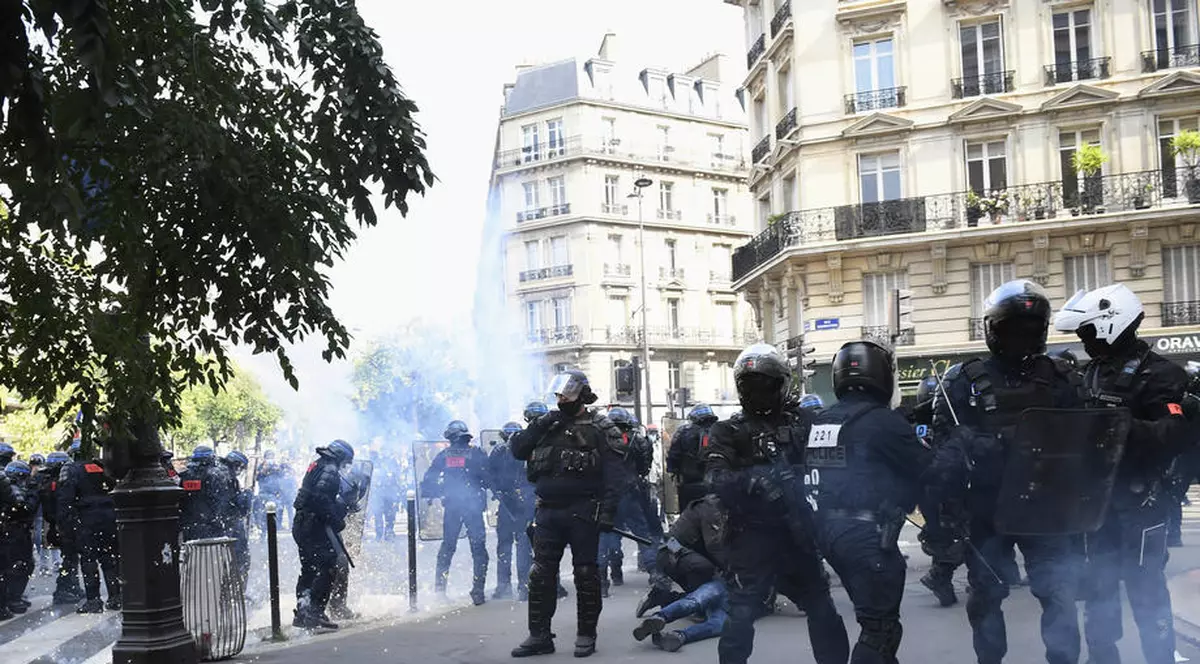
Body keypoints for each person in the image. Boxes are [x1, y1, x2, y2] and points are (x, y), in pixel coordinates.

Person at [932, 279, 1086, 664]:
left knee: (1052, 593)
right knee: (992, 596)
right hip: (992, 509)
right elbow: (943, 451)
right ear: (994, 330)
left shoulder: (1062, 379)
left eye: (1028, 329)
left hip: (1041, 508)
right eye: (1013, 329)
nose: (1021, 337)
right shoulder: (963, 381)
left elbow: (1087, 441)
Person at [1054, 283, 1192, 664]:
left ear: (1111, 324)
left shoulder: (1160, 374)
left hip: (1141, 504)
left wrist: (1120, 424)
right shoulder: (1091, 373)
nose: (1084, 341)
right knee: (1097, 593)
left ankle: (1161, 658)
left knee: (1147, 591)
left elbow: (1174, 434)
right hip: (1096, 506)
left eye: (1088, 332)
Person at [705, 343, 850, 664]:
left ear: (781, 384)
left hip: (799, 534)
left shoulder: (808, 422)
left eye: (764, 384)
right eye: (749, 385)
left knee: (821, 608)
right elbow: (715, 479)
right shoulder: (729, 430)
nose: (757, 392)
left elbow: (836, 467)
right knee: (742, 613)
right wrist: (754, 481)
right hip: (752, 537)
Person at [808, 341, 931, 662]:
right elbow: (929, 472)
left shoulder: (821, 421)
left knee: (874, 622)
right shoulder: (884, 422)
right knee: (880, 631)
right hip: (867, 537)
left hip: (828, 533)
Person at [510, 369, 620, 659]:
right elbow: (518, 449)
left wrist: (607, 512)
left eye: (567, 395)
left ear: (582, 394)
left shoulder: (599, 426)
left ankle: (586, 635)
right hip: (547, 511)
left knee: (585, 574)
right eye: (558, 395)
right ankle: (539, 636)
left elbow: (615, 474)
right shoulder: (548, 424)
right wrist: (542, 422)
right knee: (541, 575)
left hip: (583, 511)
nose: (561, 400)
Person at [633, 495, 730, 652]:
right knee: (701, 604)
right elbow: (715, 547)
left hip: (731, 588)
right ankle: (666, 621)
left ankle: (674, 630)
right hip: (682, 559)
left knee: (699, 604)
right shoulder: (712, 508)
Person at [421, 420, 491, 606]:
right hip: (473, 507)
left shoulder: (443, 455)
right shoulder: (477, 454)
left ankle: (439, 591)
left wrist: (440, 491)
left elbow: (428, 481)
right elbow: (489, 478)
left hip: (452, 507)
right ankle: (478, 591)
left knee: (447, 547)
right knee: (478, 549)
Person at [911, 374, 962, 607]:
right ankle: (941, 575)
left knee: (945, 533)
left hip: (929, 487)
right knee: (959, 532)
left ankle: (942, 575)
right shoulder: (943, 421)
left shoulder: (919, 418)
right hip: (941, 485)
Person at [292, 439, 355, 630]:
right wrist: (337, 520)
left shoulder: (318, 464)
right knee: (328, 565)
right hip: (314, 526)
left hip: (303, 523)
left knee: (309, 568)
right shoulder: (330, 470)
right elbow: (320, 499)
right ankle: (315, 612)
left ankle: (303, 610)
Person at [597, 407, 657, 596]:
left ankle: (605, 579)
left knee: (607, 536)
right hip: (630, 493)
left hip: (608, 494)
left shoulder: (601, 439)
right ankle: (654, 572)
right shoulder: (637, 440)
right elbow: (644, 467)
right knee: (642, 534)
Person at [57, 442, 121, 613]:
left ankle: (93, 600)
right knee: (110, 558)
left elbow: (65, 499)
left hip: (86, 519)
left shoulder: (71, 470)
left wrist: (63, 525)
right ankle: (116, 597)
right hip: (110, 517)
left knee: (89, 559)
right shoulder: (105, 467)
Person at [522, 401, 570, 602]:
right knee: (547, 548)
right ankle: (551, 586)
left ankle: (527, 587)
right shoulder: (556, 437)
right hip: (546, 500)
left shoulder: (527, 440)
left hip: (534, 501)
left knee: (538, 548)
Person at [490, 421, 535, 600]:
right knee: (521, 545)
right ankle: (523, 587)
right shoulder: (526, 451)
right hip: (521, 504)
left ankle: (505, 586)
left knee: (506, 546)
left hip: (510, 503)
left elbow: (489, 475)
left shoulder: (498, 451)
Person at [38, 450, 82, 604]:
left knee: (70, 557)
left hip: (58, 525)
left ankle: (73, 586)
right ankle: (62, 590)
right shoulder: (54, 485)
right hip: (61, 525)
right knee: (69, 558)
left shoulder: (48, 482)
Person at [329, 462, 370, 621]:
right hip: (320, 527)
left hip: (328, 527)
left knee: (341, 564)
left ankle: (336, 607)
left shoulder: (333, 475)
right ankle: (317, 609)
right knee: (333, 565)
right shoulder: (330, 476)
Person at [178, 445, 238, 542]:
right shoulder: (216, 476)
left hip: (189, 527)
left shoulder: (184, 476)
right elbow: (221, 502)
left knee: (192, 555)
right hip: (210, 527)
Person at [3, 460, 39, 615]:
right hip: (14, 532)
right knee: (19, 566)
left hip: (12, 531)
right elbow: (25, 508)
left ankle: (11, 598)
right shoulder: (12, 489)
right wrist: (33, 491)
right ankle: (12, 599)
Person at [667, 403, 718, 510]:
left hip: (689, 483)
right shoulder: (719, 431)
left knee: (688, 518)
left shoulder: (683, 431)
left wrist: (673, 471)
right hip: (714, 484)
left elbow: (673, 456)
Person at [221, 450, 253, 589]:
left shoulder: (219, 473)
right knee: (241, 558)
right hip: (231, 524)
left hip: (218, 526)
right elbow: (239, 506)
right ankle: (238, 591)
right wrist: (247, 495)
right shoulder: (229, 478)